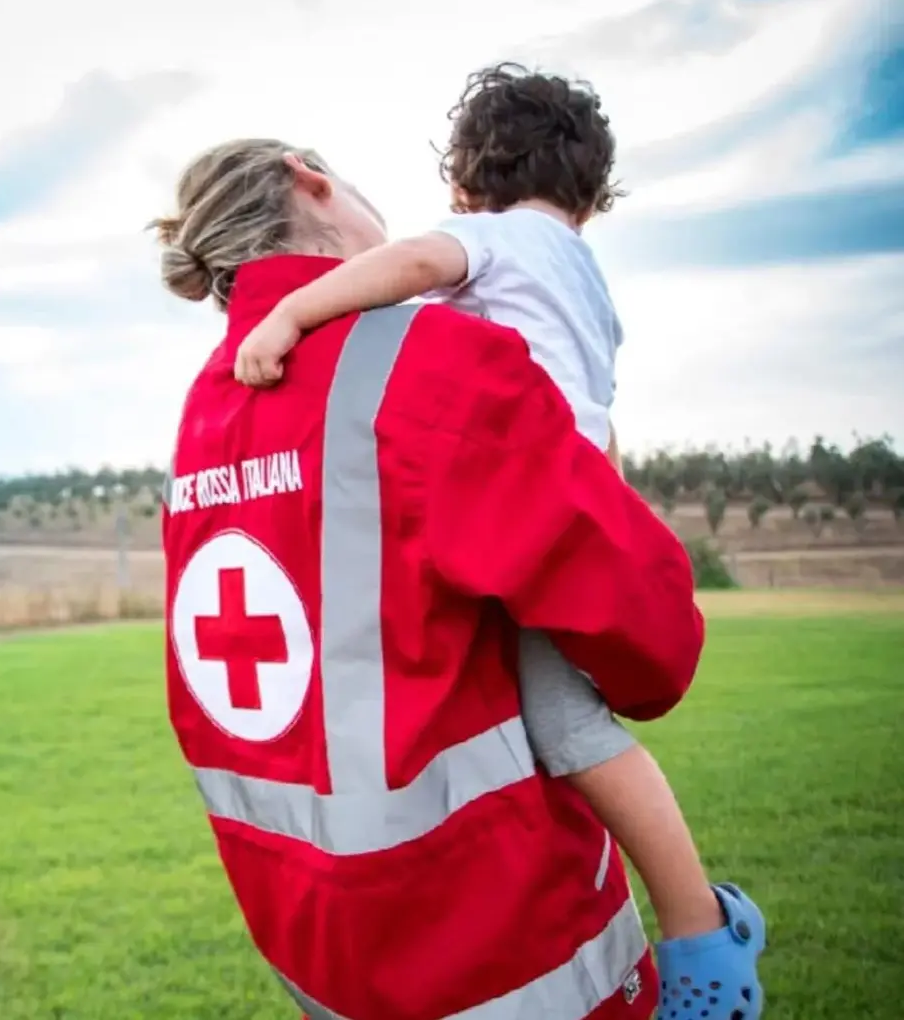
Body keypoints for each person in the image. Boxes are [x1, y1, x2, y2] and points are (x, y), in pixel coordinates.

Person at [153, 137, 761, 1020]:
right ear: (310, 178)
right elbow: (649, 634)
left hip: (318, 953)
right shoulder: (425, 354)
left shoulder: (209, 406)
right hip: (510, 948)